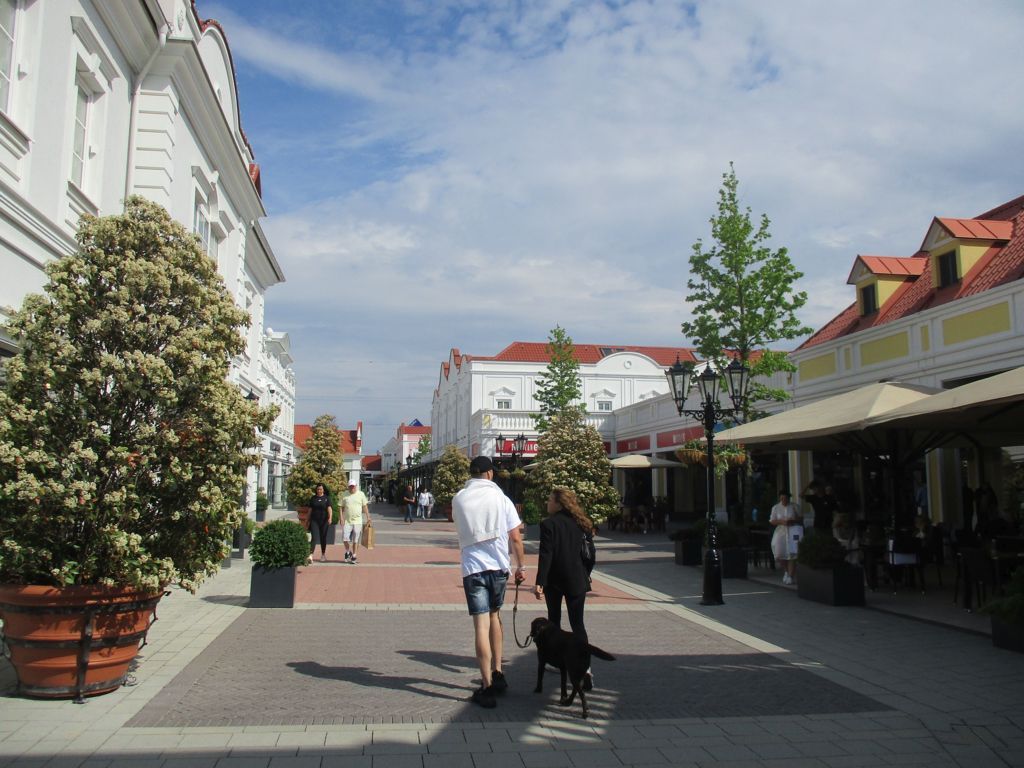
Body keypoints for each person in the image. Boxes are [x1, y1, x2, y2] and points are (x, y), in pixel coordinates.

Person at [452, 455, 526, 709]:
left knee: (480, 626)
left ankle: (486, 687)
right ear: (490, 474)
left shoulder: (459, 498)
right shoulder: (501, 498)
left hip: (473, 568)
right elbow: (515, 537)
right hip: (498, 568)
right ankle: (498, 671)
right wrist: (521, 566)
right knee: (495, 617)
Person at [534, 487, 596, 689]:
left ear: (559, 504)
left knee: (554, 622)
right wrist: (586, 573)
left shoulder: (548, 524)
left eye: (550, 499)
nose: (547, 503)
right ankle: (585, 667)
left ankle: (558, 660)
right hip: (577, 579)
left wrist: (540, 581)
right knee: (578, 623)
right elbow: (590, 553)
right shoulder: (582, 523)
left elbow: (546, 555)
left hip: (555, 581)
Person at [770, 490, 802, 585]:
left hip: (793, 531)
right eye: (782, 498)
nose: (784, 500)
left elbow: (801, 518)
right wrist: (781, 522)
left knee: (793, 553)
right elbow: (772, 520)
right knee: (779, 553)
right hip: (781, 532)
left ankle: (791, 576)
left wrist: (793, 520)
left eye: (786, 498)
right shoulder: (776, 508)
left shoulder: (795, 506)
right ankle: (787, 571)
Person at [341, 481, 370, 564]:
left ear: (356, 486)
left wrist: (368, 516)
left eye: (353, 486)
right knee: (345, 538)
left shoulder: (361, 494)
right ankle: (348, 551)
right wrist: (341, 517)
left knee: (355, 540)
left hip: (357, 521)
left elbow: (365, 506)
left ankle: (354, 555)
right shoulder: (344, 494)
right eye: (350, 486)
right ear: (348, 486)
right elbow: (341, 507)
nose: (352, 488)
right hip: (347, 520)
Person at [308, 483, 333, 563]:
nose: (319, 491)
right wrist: (307, 519)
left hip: (324, 521)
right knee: (314, 538)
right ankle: (310, 555)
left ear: (323, 490)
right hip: (314, 520)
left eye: (321, 489)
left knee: (323, 538)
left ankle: (323, 554)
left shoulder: (326, 498)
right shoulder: (313, 498)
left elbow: (329, 509)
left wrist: (330, 518)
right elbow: (310, 510)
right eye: (318, 489)